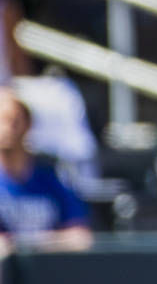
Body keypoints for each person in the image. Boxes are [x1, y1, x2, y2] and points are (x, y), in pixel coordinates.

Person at [0, 88, 92, 250]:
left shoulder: (50, 178)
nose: (7, 128)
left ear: (28, 123)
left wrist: (27, 243)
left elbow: (80, 237)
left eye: (13, 120)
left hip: (48, 269)